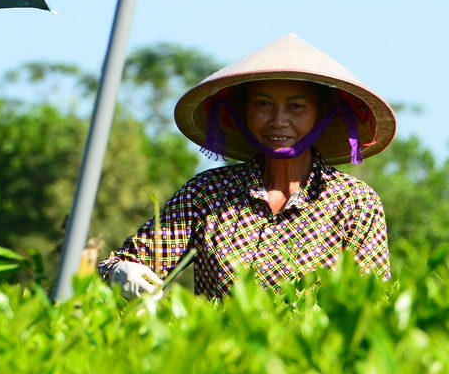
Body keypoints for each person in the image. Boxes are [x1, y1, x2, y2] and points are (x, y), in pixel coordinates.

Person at [96, 34, 397, 301]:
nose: (278, 120)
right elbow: (124, 263)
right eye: (263, 104)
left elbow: (372, 299)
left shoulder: (353, 201)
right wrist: (122, 272)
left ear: (322, 115)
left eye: (296, 107)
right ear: (243, 111)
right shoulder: (207, 194)